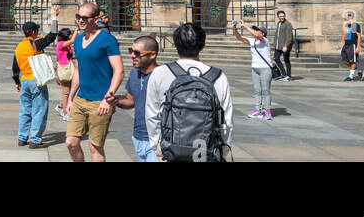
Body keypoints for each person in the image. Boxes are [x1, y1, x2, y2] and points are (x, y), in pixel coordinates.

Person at [145, 22, 233, 162]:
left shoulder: (159, 73)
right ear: (203, 46)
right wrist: (224, 148)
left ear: (174, 44)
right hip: (206, 152)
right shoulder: (218, 77)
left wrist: (157, 147)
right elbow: (226, 120)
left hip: (170, 150)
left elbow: (152, 116)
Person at [64, 2, 124, 162]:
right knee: (71, 142)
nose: (80, 20)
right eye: (78, 17)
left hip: (100, 101)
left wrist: (107, 98)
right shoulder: (77, 40)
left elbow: (119, 70)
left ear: (96, 18)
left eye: (85, 17)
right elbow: (78, 71)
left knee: (95, 146)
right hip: (81, 98)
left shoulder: (107, 39)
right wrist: (70, 98)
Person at [111, 34, 159, 161]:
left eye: (137, 53)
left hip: (157, 140)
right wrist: (117, 101)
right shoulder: (134, 73)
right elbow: (131, 101)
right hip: (137, 137)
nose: (132, 55)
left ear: (152, 55)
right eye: (131, 51)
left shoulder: (162, 76)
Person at [12, 20, 59, 149]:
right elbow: (52, 35)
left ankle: (22, 137)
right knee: (39, 110)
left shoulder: (19, 47)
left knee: (25, 110)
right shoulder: (35, 43)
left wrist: (17, 82)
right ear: (33, 32)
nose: (37, 33)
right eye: (36, 31)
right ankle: (35, 140)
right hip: (37, 81)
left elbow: (15, 67)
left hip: (25, 81)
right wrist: (55, 17)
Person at [232, 20, 274, 119]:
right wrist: (235, 28)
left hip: (265, 68)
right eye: (254, 29)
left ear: (262, 33)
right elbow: (239, 38)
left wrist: (245, 26)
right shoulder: (252, 41)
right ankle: (257, 110)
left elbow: (257, 36)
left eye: (257, 30)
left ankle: (267, 111)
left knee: (265, 90)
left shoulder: (265, 41)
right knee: (257, 90)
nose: (255, 31)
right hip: (255, 68)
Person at [54, 27, 76, 121]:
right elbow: (72, 41)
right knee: (66, 93)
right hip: (64, 70)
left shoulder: (66, 46)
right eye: (70, 33)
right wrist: (77, 30)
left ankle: (60, 106)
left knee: (70, 92)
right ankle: (66, 113)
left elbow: (66, 56)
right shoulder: (60, 44)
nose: (71, 35)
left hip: (69, 69)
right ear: (67, 35)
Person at [339, 11, 364, 81]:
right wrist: (344, 44)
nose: (344, 16)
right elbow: (347, 35)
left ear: (349, 16)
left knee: (352, 61)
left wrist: (358, 47)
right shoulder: (347, 25)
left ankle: (351, 76)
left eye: (345, 15)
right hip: (346, 45)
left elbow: (359, 36)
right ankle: (359, 70)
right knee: (344, 60)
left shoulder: (356, 25)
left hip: (352, 45)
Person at [273, 11, 294, 80]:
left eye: (283, 16)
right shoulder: (279, 23)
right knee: (276, 58)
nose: (282, 17)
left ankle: (289, 75)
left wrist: (286, 46)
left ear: (285, 16)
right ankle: (284, 74)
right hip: (278, 45)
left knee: (286, 60)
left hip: (285, 46)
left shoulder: (288, 24)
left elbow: (289, 37)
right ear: (278, 17)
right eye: (280, 16)